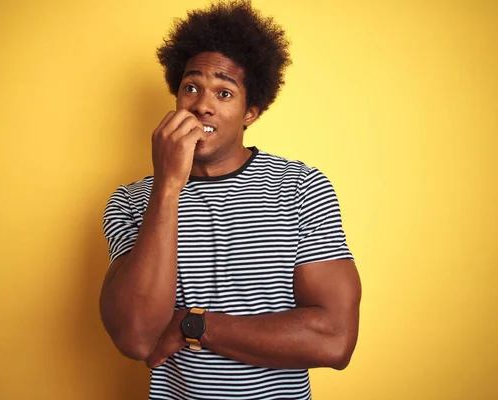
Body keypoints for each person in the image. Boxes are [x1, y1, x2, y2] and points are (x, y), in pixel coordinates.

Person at [100, 1, 361, 399]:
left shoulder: (300, 188)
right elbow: (136, 338)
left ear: (250, 112)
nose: (202, 104)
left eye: (224, 92)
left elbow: (334, 339)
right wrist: (168, 185)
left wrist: (197, 325)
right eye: (191, 87)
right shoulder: (132, 201)